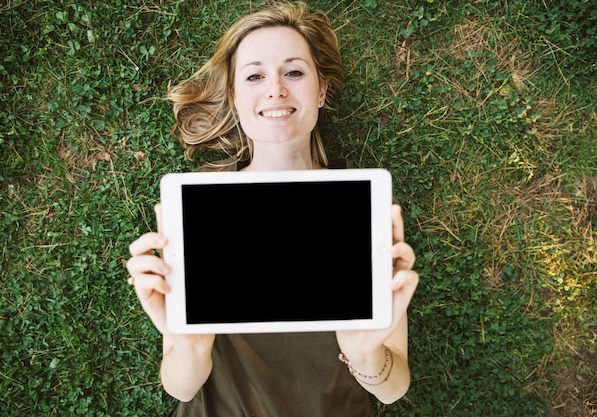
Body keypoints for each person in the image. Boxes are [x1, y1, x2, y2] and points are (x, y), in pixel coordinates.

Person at [125, 2, 419, 416]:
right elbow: (181, 389)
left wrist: (365, 354)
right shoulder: (199, 208)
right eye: (255, 75)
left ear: (321, 90)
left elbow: (391, 390)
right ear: (234, 96)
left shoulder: (363, 207)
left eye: (294, 72)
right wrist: (189, 345)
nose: (276, 89)